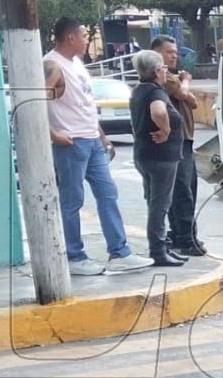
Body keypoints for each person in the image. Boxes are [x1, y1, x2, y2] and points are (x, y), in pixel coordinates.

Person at [43, 18, 152, 275]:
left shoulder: (77, 64)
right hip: (71, 142)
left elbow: (86, 104)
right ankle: (74, 256)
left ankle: (119, 252)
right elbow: (33, 100)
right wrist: (53, 134)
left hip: (91, 139)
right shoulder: (52, 65)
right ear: (70, 38)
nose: (86, 40)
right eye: (83, 35)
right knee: (72, 200)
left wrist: (102, 136)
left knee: (107, 194)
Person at [128, 51, 187, 267]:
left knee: (155, 202)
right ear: (156, 71)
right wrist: (166, 129)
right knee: (160, 204)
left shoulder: (138, 91)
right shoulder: (155, 92)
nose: (165, 71)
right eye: (162, 68)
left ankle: (162, 246)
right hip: (160, 157)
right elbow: (159, 112)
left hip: (144, 154)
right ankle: (158, 250)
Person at [150, 36, 206, 257]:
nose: (174, 55)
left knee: (183, 188)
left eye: (175, 52)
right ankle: (185, 237)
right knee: (183, 190)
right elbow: (185, 95)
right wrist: (186, 80)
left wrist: (184, 87)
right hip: (176, 140)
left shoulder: (173, 77)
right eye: (169, 52)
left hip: (184, 139)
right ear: (156, 54)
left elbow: (192, 102)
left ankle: (181, 234)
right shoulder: (164, 77)